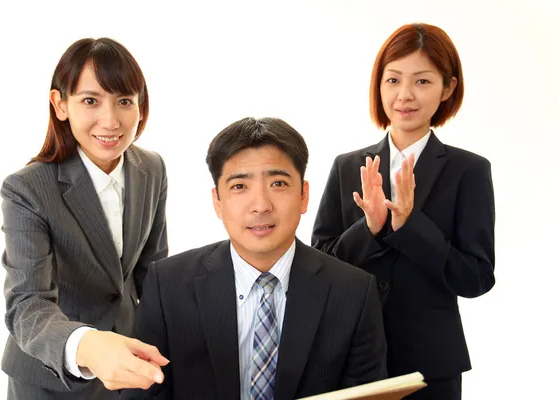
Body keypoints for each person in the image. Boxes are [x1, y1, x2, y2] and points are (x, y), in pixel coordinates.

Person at [121, 117, 387, 399]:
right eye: (239, 187)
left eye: (278, 183)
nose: (260, 205)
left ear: (303, 196)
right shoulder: (168, 286)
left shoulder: (354, 292)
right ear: (217, 202)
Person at [311, 23, 495, 400]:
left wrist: (411, 226)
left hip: (431, 365)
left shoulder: (469, 171)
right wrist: (371, 229)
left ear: (448, 88)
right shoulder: (348, 166)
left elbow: (476, 278)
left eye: (423, 82)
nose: (404, 95)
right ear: (378, 85)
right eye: (392, 80)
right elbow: (317, 268)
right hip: (351, 357)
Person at [1, 37, 170, 399]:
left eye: (124, 101)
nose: (110, 121)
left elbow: (153, 274)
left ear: (142, 106)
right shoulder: (27, 189)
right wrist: (89, 346)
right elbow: (26, 305)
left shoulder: (152, 169)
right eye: (90, 101)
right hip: (48, 376)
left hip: (128, 369)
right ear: (60, 105)